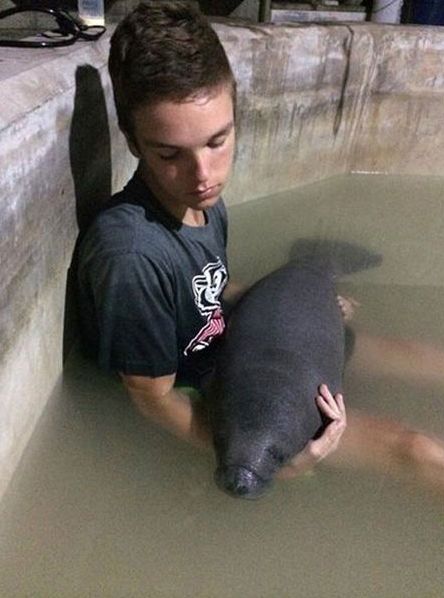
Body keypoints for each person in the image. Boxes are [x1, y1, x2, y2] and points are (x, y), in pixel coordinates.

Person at [77, 1, 444, 492]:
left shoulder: (201, 202)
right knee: (416, 452)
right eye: (171, 154)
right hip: (211, 392)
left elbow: (209, 288)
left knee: (419, 356)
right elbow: (153, 400)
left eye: (217, 141)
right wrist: (271, 460)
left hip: (244, 347)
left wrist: (312, 308)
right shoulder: (131, 258)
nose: (203, 174)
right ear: (133, 140)